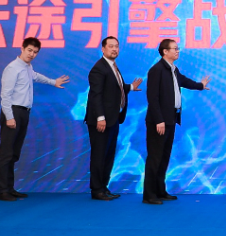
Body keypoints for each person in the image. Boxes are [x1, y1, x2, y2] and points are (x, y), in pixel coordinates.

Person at [0, 37, 69, 201]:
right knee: (6, 153)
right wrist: (9, 117)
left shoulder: (28, 67)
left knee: (14, 153)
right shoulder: (12, 68)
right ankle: (2, 191)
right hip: (13, 112)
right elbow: (5, 95)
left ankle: (9, 188)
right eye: (29, 50)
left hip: (24, 113)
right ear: (22, 48)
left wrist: (53, 82)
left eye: (35, 52)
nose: (32, 54)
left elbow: (36, 76)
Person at [143, 38, 210, 205]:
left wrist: (200, 85)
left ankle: (160, 190)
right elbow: (152, 97)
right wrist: (159, 120)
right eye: (174, 48)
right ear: (165, 51)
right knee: (155, 157)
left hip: (171, 118)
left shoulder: (173, 69)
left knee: (164, 157)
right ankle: (149, 194)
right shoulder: (156, 70)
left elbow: (184, 81)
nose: (177, 51)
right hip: (159, 121)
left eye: (178, 48)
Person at [85, 36, 142, 201]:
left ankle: (103, 187)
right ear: (103, 49)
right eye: (111, 46)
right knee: (99, 155)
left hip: (113, 119)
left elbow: (114, 88)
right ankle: (97, 190)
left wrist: (130, 87)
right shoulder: (98, 68)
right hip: (101, 121)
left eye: (116, 46)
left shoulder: (112, 66)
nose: (114, 49)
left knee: (108, 155)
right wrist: (100, 117)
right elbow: (96, 95)